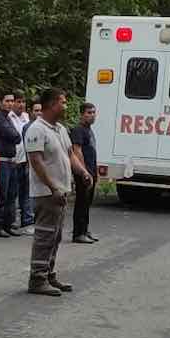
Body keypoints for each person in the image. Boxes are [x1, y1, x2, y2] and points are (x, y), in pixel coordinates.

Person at [24, 88, 92, 296]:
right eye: (62, 102)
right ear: (52, 104)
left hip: (61, 191)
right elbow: (35, 161)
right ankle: (37, 278)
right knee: (45, 235)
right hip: (46, 193)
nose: (65, 106)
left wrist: (82, 172)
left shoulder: (60, 129)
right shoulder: (37, 129)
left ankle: (48, 274)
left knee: (56, 235)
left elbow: (69, 154)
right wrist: (52, 187)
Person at [0, 91, 21, 237]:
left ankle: (8, 224)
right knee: (3, 194)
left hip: (11, 161)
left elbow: (16, 137)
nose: (10, 103)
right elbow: (13, 135)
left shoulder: (8, 118)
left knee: (12, 194)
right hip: (1, 161)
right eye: (7, 101)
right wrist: (14, 135)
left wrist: (14, 135)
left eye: (12, 101)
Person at [70, 103, 100, 244]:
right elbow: (77, 151)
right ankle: (78, 233)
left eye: (93, 112)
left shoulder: (89, 130)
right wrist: (84, 172)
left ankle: (85, 230)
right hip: (84, 172)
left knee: (87, 203)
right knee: (81, 202)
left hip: (91, 170)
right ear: (82, 114)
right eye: (89, 113)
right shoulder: (78, 130)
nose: (92, 115)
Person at [9, 93, 32, 231]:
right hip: (14, 160)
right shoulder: (9, 117)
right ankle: (14, 220)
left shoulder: (27, 117)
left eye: (23, 101)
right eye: (19, 101)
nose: (21, 104)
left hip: (25, 160)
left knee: (26, 191)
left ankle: (27, 220)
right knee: (14, 192)